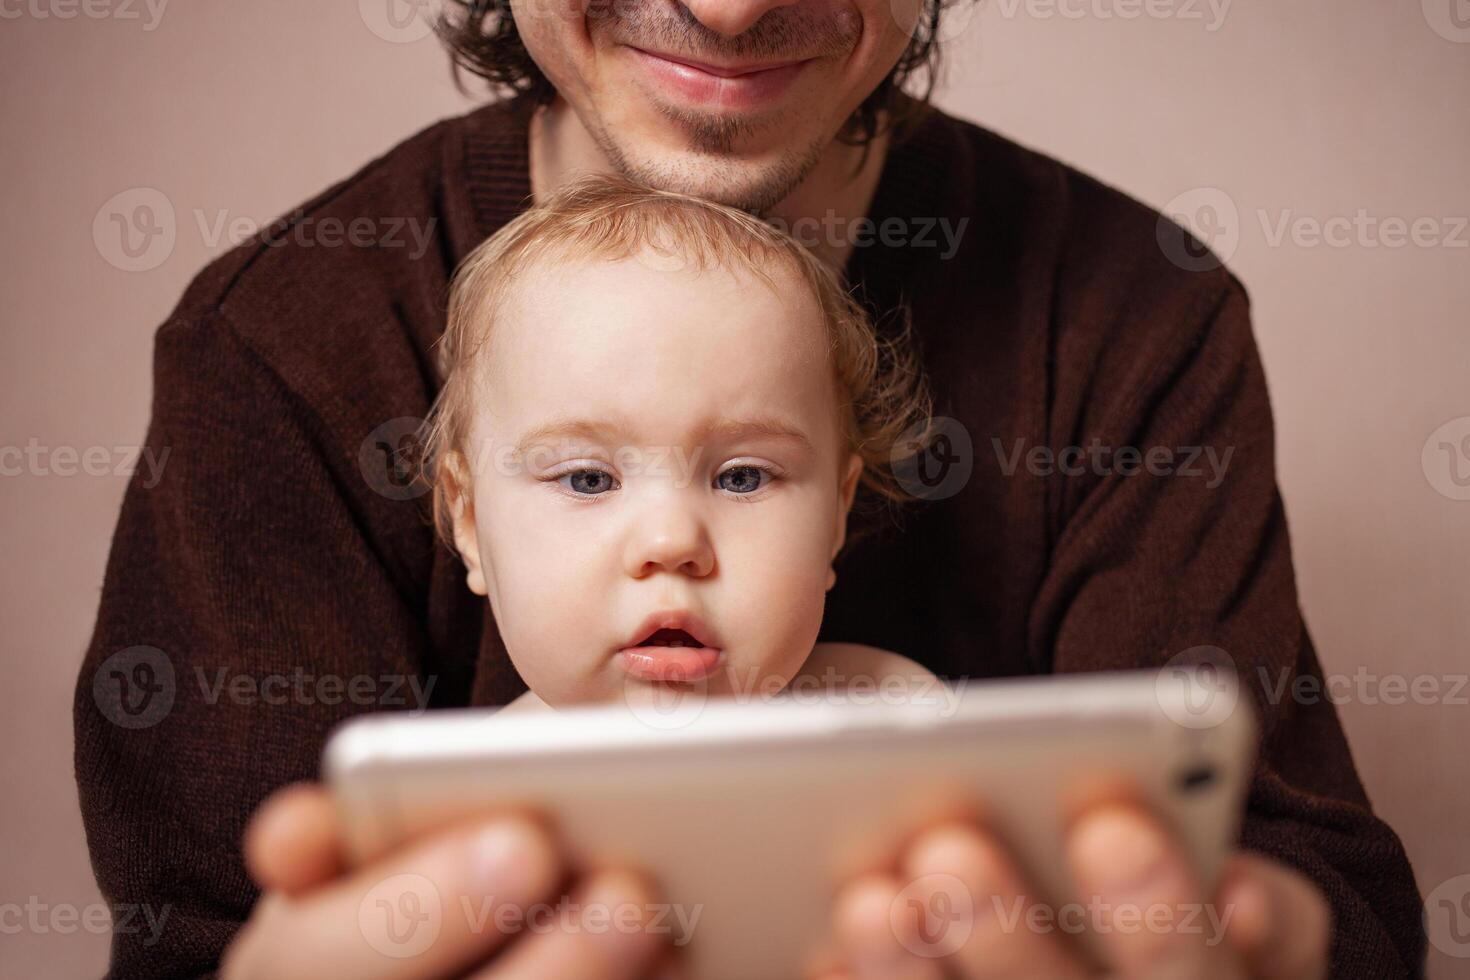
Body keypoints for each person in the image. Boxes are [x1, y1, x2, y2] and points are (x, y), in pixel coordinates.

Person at [74, 1, 1425, 977]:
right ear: (461, 513)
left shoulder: (1135, 311)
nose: (730, 7)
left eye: (741, 475)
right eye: (585, 475)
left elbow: (1324, 903)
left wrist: (1253, 937)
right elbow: (201, 938)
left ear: (846, 505)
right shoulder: (275, 342)